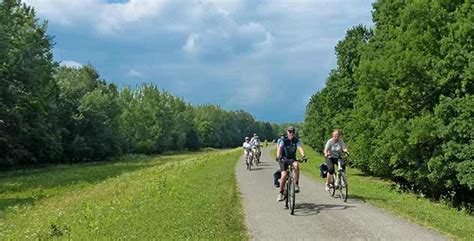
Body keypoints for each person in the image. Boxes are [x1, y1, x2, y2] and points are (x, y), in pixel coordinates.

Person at [276, 126, 306, 202]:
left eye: (293, 132)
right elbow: (280, 148)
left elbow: (300, 148)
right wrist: (278, 156)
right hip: (283, 159)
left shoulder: (296, 141)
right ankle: (281, 192)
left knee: (296, 165)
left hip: (292, 159)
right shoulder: (284, 140)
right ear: (287, 132)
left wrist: (303, 156)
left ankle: (296, 184)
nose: (291, 133)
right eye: (290, 132)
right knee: (284, 175)